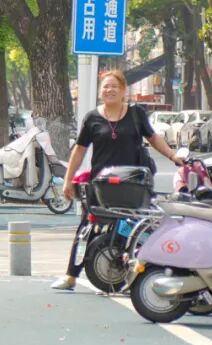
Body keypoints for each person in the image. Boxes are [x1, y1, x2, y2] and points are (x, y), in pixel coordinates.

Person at [51, 70, 183, 290]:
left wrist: (173, 156)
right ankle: (70, 276)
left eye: (114, 86)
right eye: (105, 86)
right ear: (100, 91)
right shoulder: (92, 118)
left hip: (133, 185)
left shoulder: (136, 114)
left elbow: (153, 137)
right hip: (102, 186)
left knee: (142, 227)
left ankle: (148, 274)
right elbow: (80, 149)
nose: (109, 90)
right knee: (86, 228)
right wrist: (68, 179)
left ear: (123, 90)